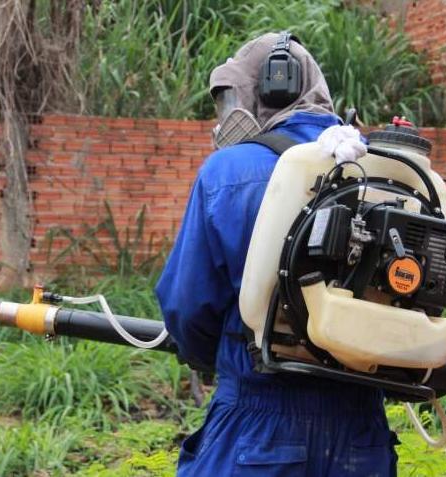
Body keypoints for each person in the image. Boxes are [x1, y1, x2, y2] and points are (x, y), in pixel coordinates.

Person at [155, 32, 398, 477]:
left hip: (258, 421)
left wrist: (210, 356)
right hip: (362, 437)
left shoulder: (229, 172)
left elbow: (187, 306)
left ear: (271, 87)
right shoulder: (382, 173)